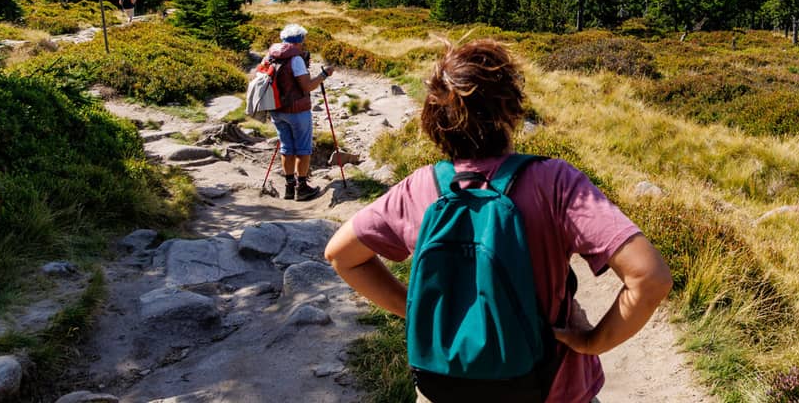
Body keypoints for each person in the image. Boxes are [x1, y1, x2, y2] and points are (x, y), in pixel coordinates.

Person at [324, 39, 672, 403]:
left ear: (433, 120)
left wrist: (415, 312)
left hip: (446, 388)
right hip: (550, 387)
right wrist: (593, 340)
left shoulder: (421, 188)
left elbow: (340, 255)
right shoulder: (553, 182)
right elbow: (650, 279)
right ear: (510, 111)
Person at [265, 23, 332, 201]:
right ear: (298, 41)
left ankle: (289, 188)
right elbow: (307, 86)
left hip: (277, 109)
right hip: (297, 111)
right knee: (303, 148)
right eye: (303, 41)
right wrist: (324, 75)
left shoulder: (270, 56)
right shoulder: (295, 59)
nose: (303, 44)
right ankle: (301, 188)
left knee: (286, 147)